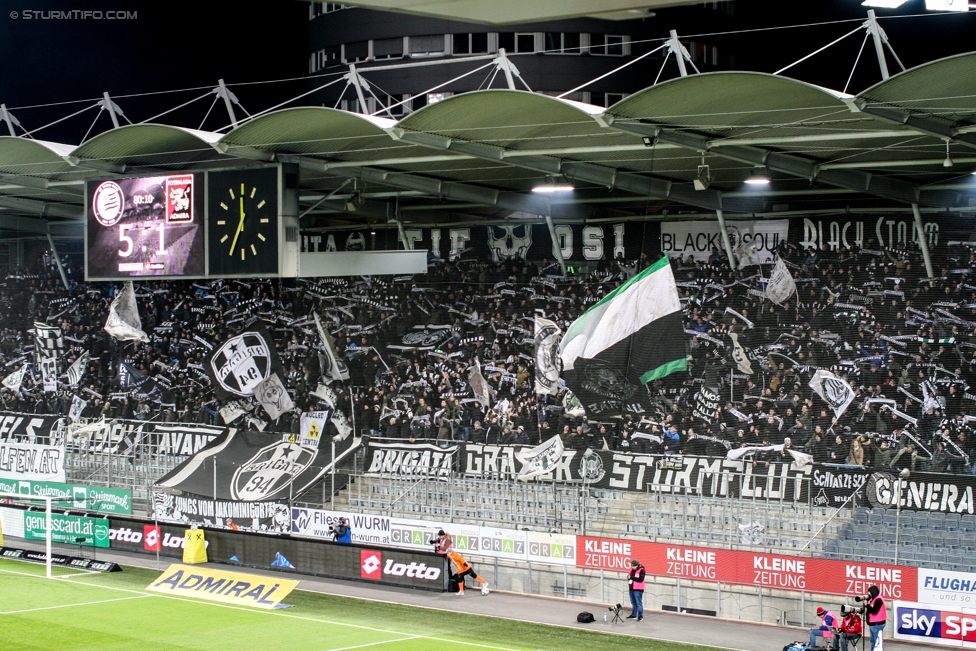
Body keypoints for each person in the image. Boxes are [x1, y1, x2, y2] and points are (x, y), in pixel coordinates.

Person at [864, 585, 886, 651]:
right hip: (874, 624)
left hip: (877, 624)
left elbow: (874, 611)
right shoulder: (875, 599)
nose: (869, 595)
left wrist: (867, 605)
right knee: (874, 642)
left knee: (877, 643)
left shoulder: (878, 600)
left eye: (869, 593)